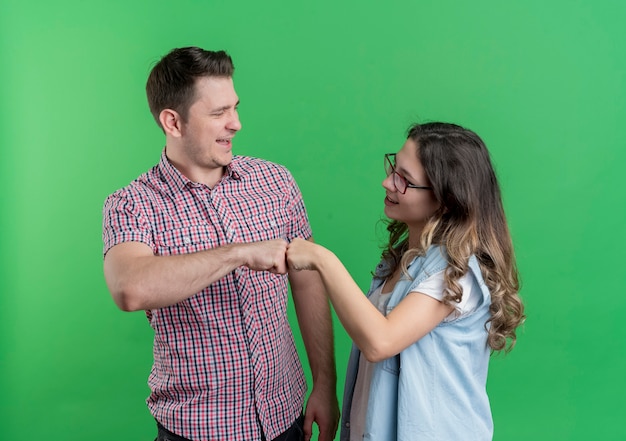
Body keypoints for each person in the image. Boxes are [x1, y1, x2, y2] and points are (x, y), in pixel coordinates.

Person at [102, 46, 339, 441]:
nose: (237, 124)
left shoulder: (275, 182)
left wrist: (324, 385)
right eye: (218, 113)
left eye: (235, 107)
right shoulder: (132, 203)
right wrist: (240, 253)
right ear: (172, 122)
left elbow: (308, 282)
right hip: (197, 430)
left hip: (286, 418)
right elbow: (130, 288)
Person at [286, 122, 525, 441]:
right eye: (393, 169)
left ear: (446, 200)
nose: (387, 182)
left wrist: (322, 259)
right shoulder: (402, 261)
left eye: (405, 180)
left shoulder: (456, 274)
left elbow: (380, 341)